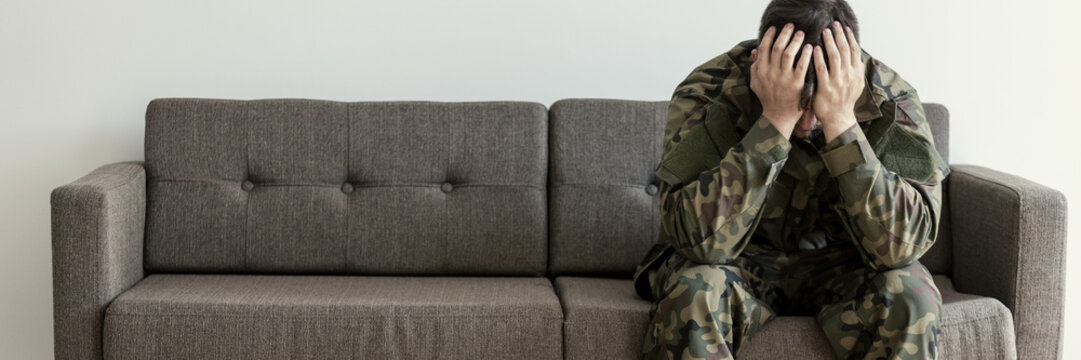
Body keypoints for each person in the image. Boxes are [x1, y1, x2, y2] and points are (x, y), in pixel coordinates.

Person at [632, 0, 949, 359]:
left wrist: (842, 123)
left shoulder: (890, 100)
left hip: (845, 266)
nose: (808, 123)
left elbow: (903, 248)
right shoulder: (709, 92)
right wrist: (775, 120)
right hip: (737, 263)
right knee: (694, 289)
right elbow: (700, 243)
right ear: (760, 63)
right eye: (799, 102)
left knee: (912, 294)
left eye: (818, 104)